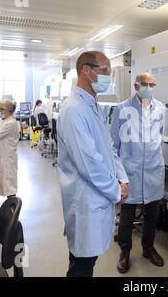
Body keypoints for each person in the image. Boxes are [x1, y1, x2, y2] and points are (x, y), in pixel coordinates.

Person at [57, 51, 129, 277]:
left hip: (97, 197)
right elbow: (88, 163)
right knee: (82, 266)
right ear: (86, 71)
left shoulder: (94, 106)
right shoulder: (73, 109)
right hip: (85, 200)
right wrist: (116, 190)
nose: (109, 76)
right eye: (105, 70)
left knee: (86, 262)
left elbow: (108, 147)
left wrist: (123, 178)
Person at [110, 72, 165, 274]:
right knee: (126, 215)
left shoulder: (160, 109)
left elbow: (158, 138)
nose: (149, 87)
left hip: (153, 169)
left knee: (152, 214)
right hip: (130, 171)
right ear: (136, 86)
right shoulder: (122, 109)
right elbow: (113, 145)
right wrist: (119, 176)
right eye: (145, 84)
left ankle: (148, 248)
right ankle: (124, 252)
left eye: (152, 84)